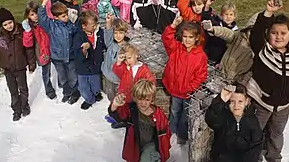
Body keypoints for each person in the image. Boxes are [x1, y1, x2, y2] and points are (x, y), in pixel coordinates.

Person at [246, 0, 289, 162]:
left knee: (276, 134)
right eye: (274, 32)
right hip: (261, 102)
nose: (278, 36)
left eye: (283, 33)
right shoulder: (263, 51)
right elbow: (255, 34)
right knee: (254, 132)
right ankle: (251, 157)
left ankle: (274, 157)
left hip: (283, 106)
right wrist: (268, 12)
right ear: (268, 34)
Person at [0, 8, 36, 121]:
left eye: (10, 22)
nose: (9, 26)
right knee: (13, 91)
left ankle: (25, 106)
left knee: (23, 89)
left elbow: (29, 49)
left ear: (13, 20)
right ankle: (16, 110)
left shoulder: (21, 31)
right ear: (1, 25)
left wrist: (31, 64)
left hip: (20, 66)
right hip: (8, 68)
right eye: (5, 24)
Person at [162, 16, 208, 145]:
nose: (187, 40)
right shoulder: (176, 49)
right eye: (185, 36)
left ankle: (182, 136)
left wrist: (190, 87)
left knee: (185, 117)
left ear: (197, 38)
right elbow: (167, 39)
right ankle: (171, 131)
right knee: (174, 111)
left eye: (190, 37)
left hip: (188, 92)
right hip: (175, 90)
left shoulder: (200, 56)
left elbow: (201, 75)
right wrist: (172, 26)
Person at [108, 79, 171, 162]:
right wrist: (115, 105)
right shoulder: (131, 110)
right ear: (135, 97)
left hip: (151, 146)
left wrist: (164, 148)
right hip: (135, 145)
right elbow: (118, 116)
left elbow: (165, 132)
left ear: (152, 99)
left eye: (147, 100)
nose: (143, 103)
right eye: (140, 99)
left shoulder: (158, 114)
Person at [38, 0, 80, 104]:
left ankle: (75, 92)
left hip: (70, 56)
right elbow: (42, 19)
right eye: (63, 16)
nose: (66, 17)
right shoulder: (51, 25)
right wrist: (43, 4)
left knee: (73, 76)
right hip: (58, 58)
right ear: (56, 17)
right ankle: (67, 93)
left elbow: (76, 34)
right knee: (62, 77)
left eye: (66, 15)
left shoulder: (70, 25)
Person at [205, 83, 263, 162]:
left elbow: (256, 147)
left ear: (247, 101)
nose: (236, 106)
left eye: (240, 101)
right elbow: (211, 120)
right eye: (232, 101)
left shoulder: (252, 121)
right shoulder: (223, 117)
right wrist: (220, 100)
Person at [22, 1, 56, 100]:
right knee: (46, 72)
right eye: (32, 14)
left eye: (36, 13)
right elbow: (27, 43)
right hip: (41, 52)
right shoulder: (30, 27)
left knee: (60, 67)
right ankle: (49, 90)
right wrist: (28, 31)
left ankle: (62, 83)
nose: (35, 16)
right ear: (28, 16)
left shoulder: (44, 21)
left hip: (52, 48)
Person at [73, 11, 105, 110]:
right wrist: (84, 49)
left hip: (95, 66)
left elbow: (104, 43)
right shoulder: (78, 37)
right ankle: (89, 100)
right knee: (84, 88)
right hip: (82, 68)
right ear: (84, 26)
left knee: (96, 85)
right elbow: (77, 54)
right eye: (92, 25)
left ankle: (96, 93)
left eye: (95, 25)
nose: (95, 27)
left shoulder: (99, 33)